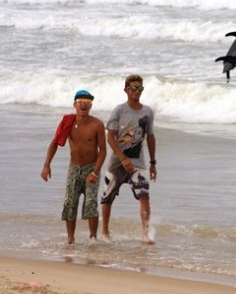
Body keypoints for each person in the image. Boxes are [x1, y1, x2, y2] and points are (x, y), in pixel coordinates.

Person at [41, 90, 106, 244]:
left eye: (87, 102)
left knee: (91, 203)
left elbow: (103, 150)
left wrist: (96, 172)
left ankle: (93, 238)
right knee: (70, 202)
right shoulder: (68, 122)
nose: (84, 104)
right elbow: (55, 143)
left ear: (91, 106)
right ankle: (70, 239)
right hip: (74, 168)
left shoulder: (97, 124)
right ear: (74, 105)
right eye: (80, 102)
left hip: (91, 168)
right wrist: (46, 165)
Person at [101, 75, 157, 244]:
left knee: (144, 195)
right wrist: (123, 158)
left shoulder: (147, 112)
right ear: (126, 90)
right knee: (107, 197)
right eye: (134, 88)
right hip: (117, 162)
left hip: (138, 162)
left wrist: (153, 163)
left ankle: (145, 233)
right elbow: (110, 138)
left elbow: (150, 137)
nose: (137, 91)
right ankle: (104, 232)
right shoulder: (119, 110)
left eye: (140, 88)